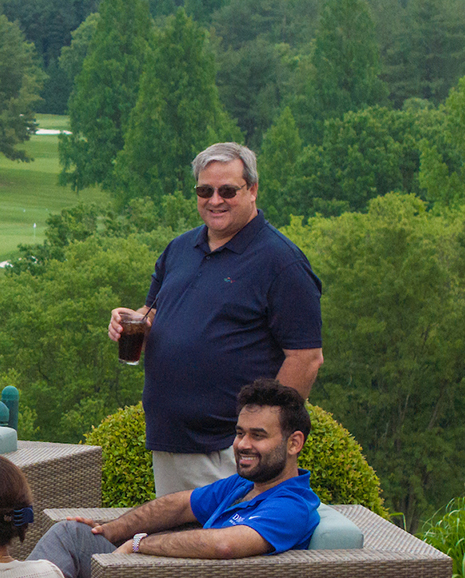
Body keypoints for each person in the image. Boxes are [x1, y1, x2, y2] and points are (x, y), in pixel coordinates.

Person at [29, 378, 322, 578]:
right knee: (71, 534)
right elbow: (180, 505)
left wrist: (139, 544)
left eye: (258, 435)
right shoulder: (244, 485)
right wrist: (112, 531)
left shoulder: (291, 505)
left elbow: (225, 545)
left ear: (294, 443)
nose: (243, 444)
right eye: (239, 433)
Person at [106, 142, 324, 496]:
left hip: (229, 451)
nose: (215, 200)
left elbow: (306, 358)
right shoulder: (179, 249)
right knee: (177, 534)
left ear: (252, 190)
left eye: (228, 191)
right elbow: (155, 316)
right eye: (205, 191)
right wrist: (131, 321)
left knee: (226, 533)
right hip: (169, 441)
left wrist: (264, 436)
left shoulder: (282, 263)